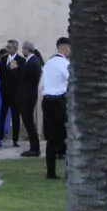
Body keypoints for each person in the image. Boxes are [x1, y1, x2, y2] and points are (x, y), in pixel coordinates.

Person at [40, 37, 71, 180]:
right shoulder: (64, 63)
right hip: (59, 101)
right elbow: (72, 80)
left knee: (51, 139)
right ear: (65, 49)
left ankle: (50, 171)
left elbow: (42, 84)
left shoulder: (48, 64)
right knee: (66, 135)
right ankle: (69, 170)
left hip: (46, 101)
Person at [17, 41, 44, 158]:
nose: (22, 52)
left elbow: (24, 79)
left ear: (26, 50)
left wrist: (15, 69)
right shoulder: (32, 61)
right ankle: (33, 147)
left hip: (28, 96)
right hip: (28, 96)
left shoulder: (33, 62)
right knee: (28, 122)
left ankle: (35, 148)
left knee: (29, 123)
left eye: (23, 49)